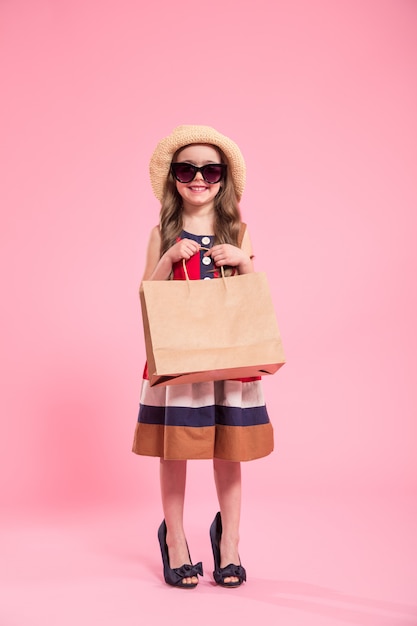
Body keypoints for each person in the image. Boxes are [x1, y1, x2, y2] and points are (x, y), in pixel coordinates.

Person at [133, 125, 274, 589]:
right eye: (187, 169)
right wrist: (170, 257)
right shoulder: (163, 232)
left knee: (228, 450)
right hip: (180, 359)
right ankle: (174, 537)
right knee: (176, 450)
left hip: (230, 358)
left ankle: (228, 541)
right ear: (174, 177)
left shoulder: (239, 230)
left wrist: (245, 261)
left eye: (210, 169)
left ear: (223, 178)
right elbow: (147, 297)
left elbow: (249, 301)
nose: (199, 178)